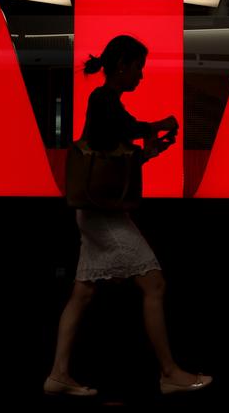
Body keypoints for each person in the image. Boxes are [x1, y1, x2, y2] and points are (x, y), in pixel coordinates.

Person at [44, 35, 212, 397]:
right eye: (138, 67)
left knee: (83, 292)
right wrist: (157, 125)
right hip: (102, 215)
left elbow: (115, 160)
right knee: (153, 283)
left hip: (95, 211)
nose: (141, 75)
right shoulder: (104, 100)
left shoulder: (107, 104)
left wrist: (147, 148)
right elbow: (127, 133)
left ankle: (58, 373)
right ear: (122, 65)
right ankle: (169, 372)